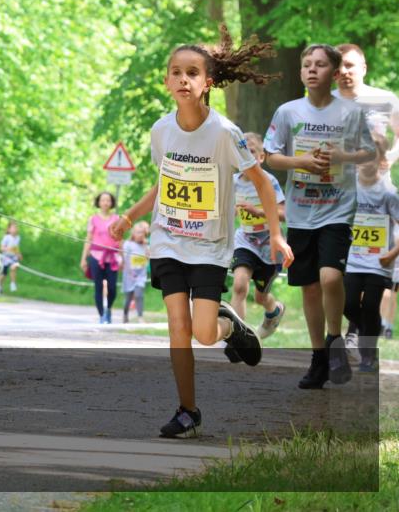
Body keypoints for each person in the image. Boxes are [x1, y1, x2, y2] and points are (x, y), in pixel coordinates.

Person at [110, 27, 293, 439]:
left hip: (209, 248)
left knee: (204, 333)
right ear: (166, 81)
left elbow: (263, 184)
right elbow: (162, 185)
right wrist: (128, 217)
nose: (183, 79)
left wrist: (277, 236)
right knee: (178, 325)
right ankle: (188, 411)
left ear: (207, 82)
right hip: (168, 241)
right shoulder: (161, 131)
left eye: (192, 72)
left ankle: (233, 327)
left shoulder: (224, 134)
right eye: (175, 72)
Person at [264, 43, 376, 388]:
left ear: (334, 72)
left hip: (338, 207)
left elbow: (368, 152)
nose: (312, 70)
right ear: (301, 72)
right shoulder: (288, 112)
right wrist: (301, 162)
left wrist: (340, 156)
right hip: (300, 211)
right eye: (307, 64)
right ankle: (318, 358)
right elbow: (270, 157)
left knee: (330, 277)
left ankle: (334, 340)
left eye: (321, 64)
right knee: (310, 287)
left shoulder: (351, 113)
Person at [331, 43, 399, 351]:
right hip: (341, 191)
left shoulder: (384, 99)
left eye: (350, 65)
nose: (344, 71)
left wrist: (391, 158)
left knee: (371, 273)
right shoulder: (324, 102)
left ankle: (364, 329)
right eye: (340, 66)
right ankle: (355, 323)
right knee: (342, 273)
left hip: (377, 192)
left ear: (363, 68)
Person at [228, 132, 287, 351]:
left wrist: (258, 211)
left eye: (251, 152)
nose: (246, 156)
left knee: (260, 296)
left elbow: (284, 212)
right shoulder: (232, 182)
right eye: (241, 152)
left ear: (261, 158)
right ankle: (239, 340)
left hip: (268, 245)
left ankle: (274, 311)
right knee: (239, 285)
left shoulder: (268, 181)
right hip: (245, 240)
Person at [343, 154, 399, 372]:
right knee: (348, 305)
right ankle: (368, 330)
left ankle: (368, 356)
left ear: (381, 163)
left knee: (369, 306)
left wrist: (393, 254)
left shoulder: (388, 193)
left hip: (379, 262)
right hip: (353, 259)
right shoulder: (348, 188)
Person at [81, 192, 121, 323]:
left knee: (112, 287)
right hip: (96, 257)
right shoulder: (93, 219)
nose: (105, 203)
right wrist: (83, 258)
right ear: (99, 202)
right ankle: (101, 315)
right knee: (98, 287)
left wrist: (123, 258)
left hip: (112, 258)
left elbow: (120, 239)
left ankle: (108, 308)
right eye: (103, 200)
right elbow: (88, 238)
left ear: (112, 203)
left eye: (108, 200)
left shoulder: (116, 218)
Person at [120, 221, 149, 323]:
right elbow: (124, 259)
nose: (140, 235)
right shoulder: (128, 244)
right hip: (129, 275)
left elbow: (148, 258)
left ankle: (140, 316)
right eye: (137, 232)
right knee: (128, 298)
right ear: (133, 233)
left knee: (138, 295)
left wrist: (147, 250)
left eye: (142, 232)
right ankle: (125, 314)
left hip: (141, 275)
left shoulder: (146, 246)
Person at [0, 222, 22, 295]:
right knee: (4, 273)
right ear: (9, 229)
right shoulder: (6, 237)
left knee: (14, 267)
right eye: (13, 227)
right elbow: (1, 248)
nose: (15, 229)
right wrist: (9, 249)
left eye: (16, 227)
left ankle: (13, 283)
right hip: (6, 257)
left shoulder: (18, 238)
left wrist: (19, 254)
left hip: (13, 257)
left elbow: (16, 248)